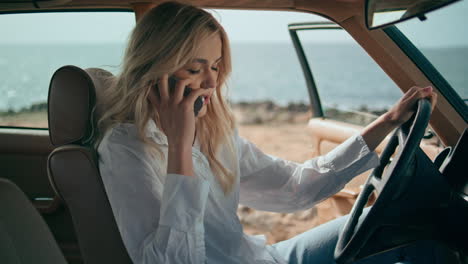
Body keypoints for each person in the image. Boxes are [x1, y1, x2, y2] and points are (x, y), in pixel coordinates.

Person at [95, 1, 438, 263]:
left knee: (410, 224)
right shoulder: (124, 149)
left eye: (215, 66)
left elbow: (294, 186)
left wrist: (387, 122)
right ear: (156, 67)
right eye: (196, 68)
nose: (213, 82)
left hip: (263, 258)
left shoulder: (212, 131)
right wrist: (180, 149)